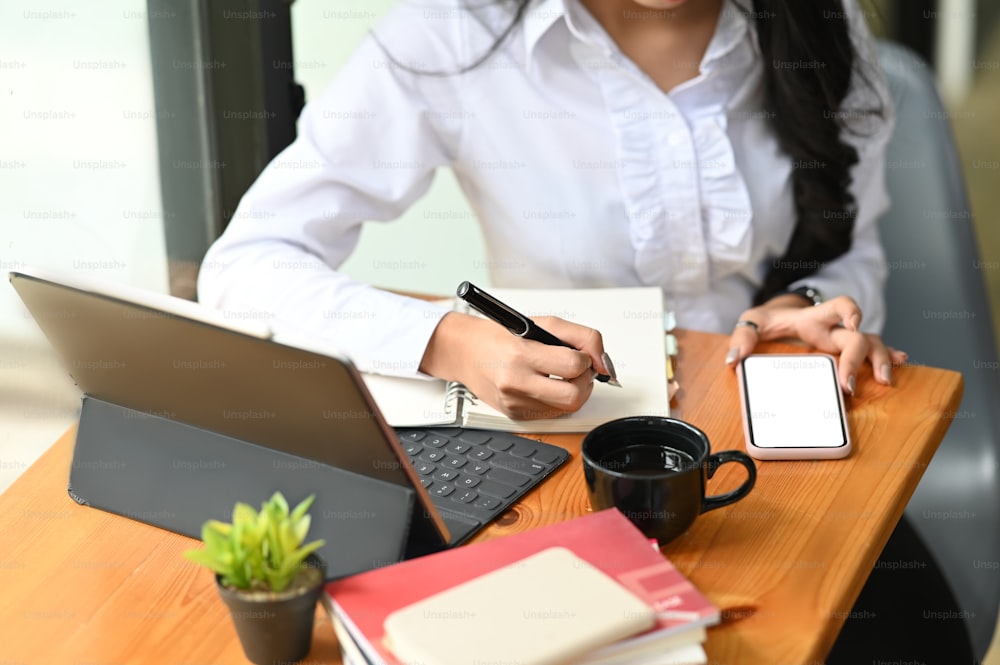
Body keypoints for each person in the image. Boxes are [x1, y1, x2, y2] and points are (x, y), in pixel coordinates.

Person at [198, 0, 908, 422]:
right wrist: (447, 341)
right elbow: (245, 267)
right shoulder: (452, 33)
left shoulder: (819, 21)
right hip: (559, 443)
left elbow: (854, 242)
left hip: (769, 422)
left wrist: (805, 301)